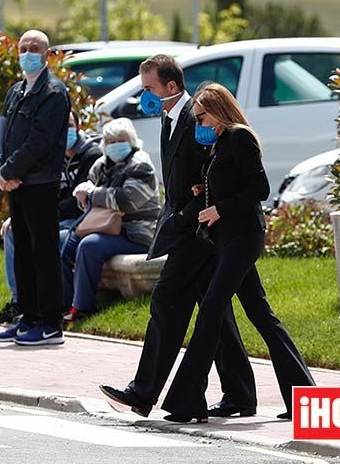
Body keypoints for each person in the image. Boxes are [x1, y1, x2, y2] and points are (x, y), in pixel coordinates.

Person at [99, 56, 256, 421]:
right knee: (214, 312)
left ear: (172, 87)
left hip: (198, 231)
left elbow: (217, 171)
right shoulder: (168, 117)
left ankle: (144, 392)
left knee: (167, 302)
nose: (145, 97)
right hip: (191, 229)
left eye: (150, 89)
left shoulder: (195, 119)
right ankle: (239, 394)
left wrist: (191, 212)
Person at [160, 82, 315, 422]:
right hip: (229, 239)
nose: (198, 123)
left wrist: (220, 209)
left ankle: (186, 402)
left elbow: (260, 188)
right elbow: (232, 182)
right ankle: (300, 398)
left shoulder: (239, 136)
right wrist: (205, 189)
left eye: (202, 116)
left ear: (218, 110)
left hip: (244, 236)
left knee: (213, 308)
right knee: (260, 314)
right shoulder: (218, 143)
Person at [0, 29, 71, 346]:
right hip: (16, 183)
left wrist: (9, 170)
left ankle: (50, 323)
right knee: (22, 250)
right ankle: (28, 316)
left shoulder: (53, 93)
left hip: (40, 182)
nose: (28, 53)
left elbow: (39, 142)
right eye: (23, 48)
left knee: (43, 252)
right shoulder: (16, 91)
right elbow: (3, 134)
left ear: (47, 53)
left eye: (34, 48)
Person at [0, 110, 102, 325]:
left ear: (78, 126)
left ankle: (51, 305)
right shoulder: (51, 154)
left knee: (50, 239)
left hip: (78, 219)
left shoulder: (91, 155)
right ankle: (19, 301)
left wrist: (43, 215)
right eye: (61, 124)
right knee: (14, 232)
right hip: (53, 215)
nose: (66, 129)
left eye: (69, 124)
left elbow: (75, 202)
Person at [61, 118, 160, 322]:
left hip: (135, 233)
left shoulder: (141, 165)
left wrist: (93, 193)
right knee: (63, 241)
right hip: (105, 227)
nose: (115, 145)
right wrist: (84, 195)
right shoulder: (102, 164)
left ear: (131, 140)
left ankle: (82, 308)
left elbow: (126, 200)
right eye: (111, 141)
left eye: (120, 140)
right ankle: (62, 303)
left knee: (89, 246)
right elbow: (87, 197)